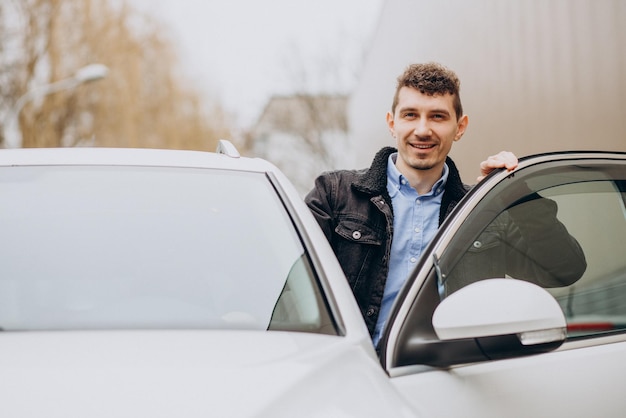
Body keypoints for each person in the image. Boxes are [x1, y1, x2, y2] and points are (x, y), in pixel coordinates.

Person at [305, 62, 586, 346]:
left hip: (450, 378)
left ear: (460, 127)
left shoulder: (483, 209)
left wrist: (516, 191)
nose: (423, 130)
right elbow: (293, 290)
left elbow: (564, 269)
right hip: (353, 370)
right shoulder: (334, 194)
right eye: (410, 115)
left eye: (437, 116)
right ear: (393, 123)